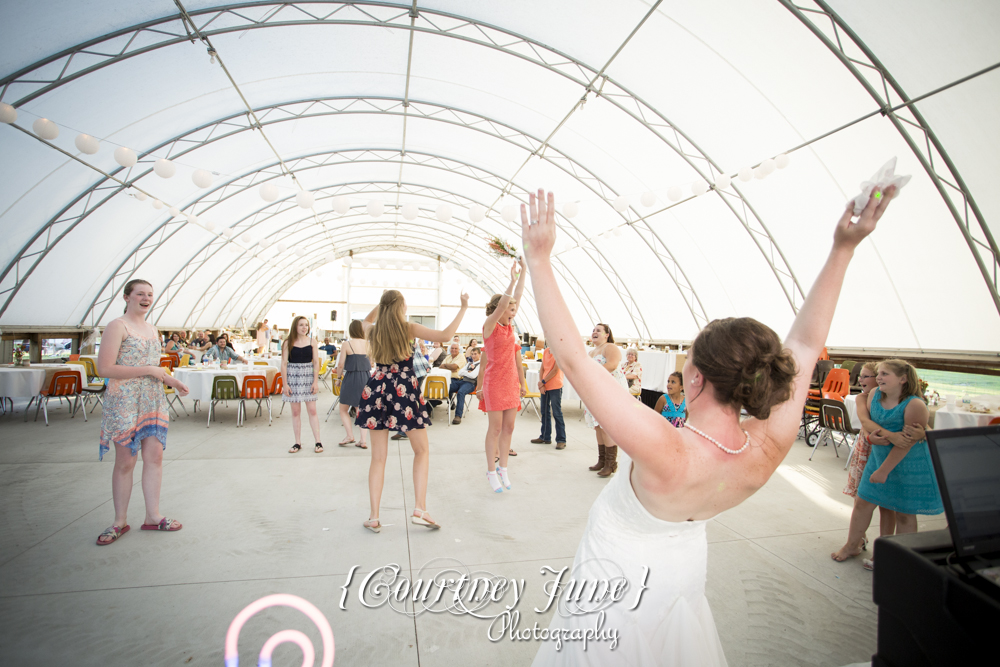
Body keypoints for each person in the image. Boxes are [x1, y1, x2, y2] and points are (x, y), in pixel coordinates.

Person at [521, 185, 896, 666]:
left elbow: (572, 357)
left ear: (694, 378)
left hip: (616, 580)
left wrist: (540, 258)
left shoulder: (665, 446)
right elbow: (805, 343)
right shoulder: (765, 447)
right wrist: (844, 249)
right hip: (682, 576)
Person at [356, 289, 469, 533]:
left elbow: (364, 322)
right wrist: (463, 307)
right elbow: (446, 335)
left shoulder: (374, 331)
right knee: (421, 450)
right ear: (401, 308)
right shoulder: (408, 328)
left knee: (378, 458)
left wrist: (381, 304)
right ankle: (420, 508)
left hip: (377, 387)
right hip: (403, 390)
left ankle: (374, 516)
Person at [95, 279, 189, 545]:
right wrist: (149, 370)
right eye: (140, 294)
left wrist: (172, 381)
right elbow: (105, 369)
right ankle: (119, 521)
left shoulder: (152, 329)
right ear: (127, 297)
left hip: (152, 400)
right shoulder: (117, 326)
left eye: (150, 294)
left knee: (154, 457)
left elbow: (155, 368)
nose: (146, 298)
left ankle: (152, 515)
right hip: (124, 401)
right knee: (125, 461)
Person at [835, 359, 937, 571]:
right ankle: (852, 545)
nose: (879, 377)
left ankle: (898, 557)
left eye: (885, 374)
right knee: (863, 502)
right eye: (879, 373)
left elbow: (905, 443)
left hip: (907, 463)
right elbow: (869, 424)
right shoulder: (874, 396)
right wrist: (875, 439)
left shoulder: (915, 405)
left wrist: (884, 471)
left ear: (903, 379)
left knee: (904, 512)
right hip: (879, 458)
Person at [832, 362, 894, 564]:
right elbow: (865, 422)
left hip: (884, 451)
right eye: (861, 376)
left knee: (887, 505)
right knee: (860, 498)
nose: (860, 380)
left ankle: (883, 548)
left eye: (866, 376)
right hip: (866, 448)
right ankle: (858, 540)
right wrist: (872, 437)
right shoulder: (861, 398)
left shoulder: (892, 401)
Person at [475, 260, 528, 493]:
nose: (513, 312)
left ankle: (503, 469)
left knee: (509, 428)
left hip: (510, 383)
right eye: (510, 309)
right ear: (500, 308)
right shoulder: (490, 325)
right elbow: (505, 303)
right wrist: (512, 279)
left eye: (515, 309)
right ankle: (490, 470)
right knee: (495, 429)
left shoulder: (509, 327)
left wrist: (523, 272)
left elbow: (516, 296)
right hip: (494, 383)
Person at [583, 322, 629, 477]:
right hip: (596, 392)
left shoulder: (610, 347)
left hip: (610, 392)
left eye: (599, 330)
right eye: (593, 330)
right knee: (598, 425)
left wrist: (591, 376)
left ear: (607, 334)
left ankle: (611, 463)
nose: (594, 332)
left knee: (606, 426)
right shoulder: (591, 352)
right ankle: (601, 460)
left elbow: (612, 365)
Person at [281, 316, 322, 453]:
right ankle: (297, 442)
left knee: (312, 410)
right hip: (293, 377)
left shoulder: (312, 341)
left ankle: (318, 441)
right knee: (295, 411)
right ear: (295, 327)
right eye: (301, 325)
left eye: (306, 325)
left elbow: (316, 362)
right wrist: (285, 384)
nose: (304, 327)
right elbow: (283, 364)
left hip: (308, 377)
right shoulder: (288, 342)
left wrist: (315, 381)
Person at [335, 320, 370, 449]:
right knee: (361, 409)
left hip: (351, 377)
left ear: (351, 330)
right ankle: (363, 440)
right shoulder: (368, 344)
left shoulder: (347, 344)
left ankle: (350, 435)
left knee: (343, 409)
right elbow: (372, 363)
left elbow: (340, 364)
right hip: (366, 378)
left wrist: (338, 378)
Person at [530, 336, 566, 449]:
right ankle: (545, 436)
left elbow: (555, 370)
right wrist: (541, 383)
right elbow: (542, 368)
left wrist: (543, 382)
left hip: (555, 386)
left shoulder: (560, 352)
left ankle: (561, 440)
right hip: (545, 385)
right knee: (544, 412)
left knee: (556, 413)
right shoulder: (546, 351)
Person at [449, 347, 481, 424]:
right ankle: (429, 408)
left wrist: (465, 372)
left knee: (460, 392)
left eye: (475, 354)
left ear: (480, 354)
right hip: (461, 381)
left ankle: (458, 416)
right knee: (447, 387)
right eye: (472, 354)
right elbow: (460, 372)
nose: (473, 356)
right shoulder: (469, 363)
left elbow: (473, 375)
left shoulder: (480, 364)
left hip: (471, 384)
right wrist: (468, 372)